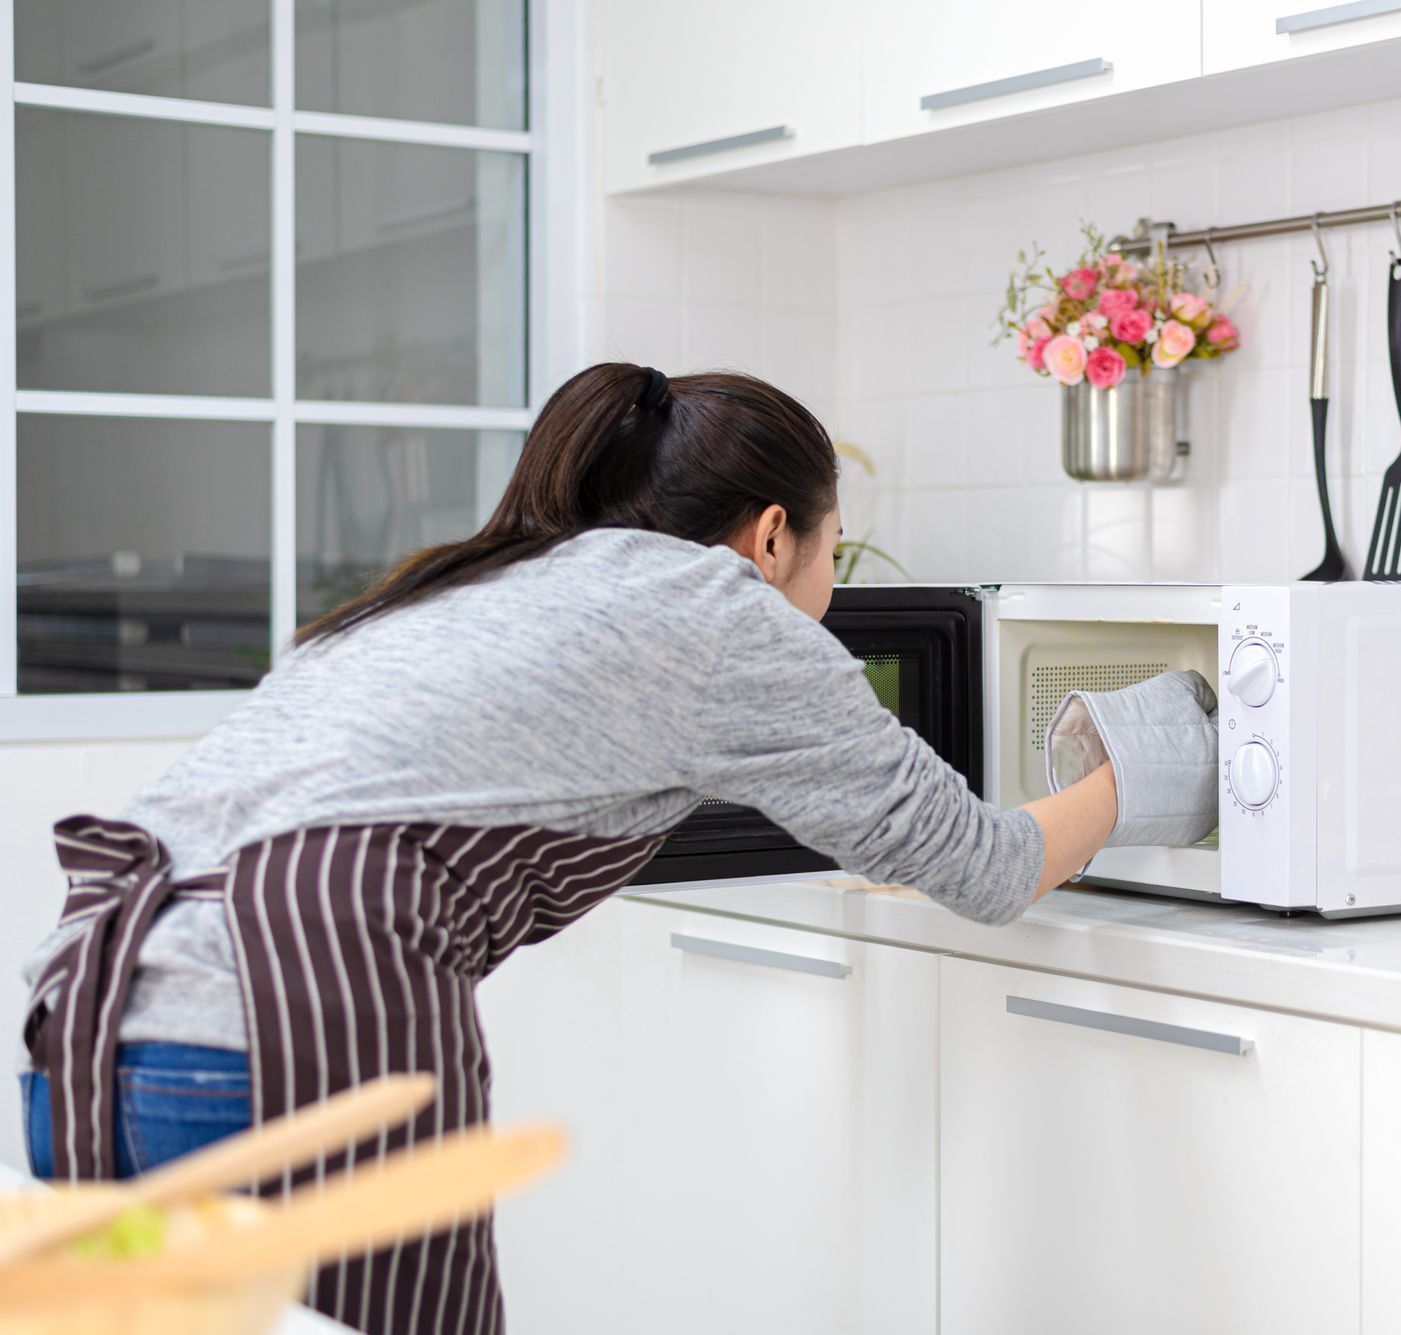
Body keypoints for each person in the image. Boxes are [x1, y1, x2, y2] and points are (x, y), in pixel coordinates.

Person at [17, 364, 1215, 1335]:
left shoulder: (481, 582)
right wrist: (1143, 754)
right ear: (769, 536)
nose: (826, 592)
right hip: (291, 1034)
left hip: (87, 1021)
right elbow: (992, 866)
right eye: (831, 556)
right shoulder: (718, 614)